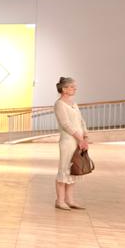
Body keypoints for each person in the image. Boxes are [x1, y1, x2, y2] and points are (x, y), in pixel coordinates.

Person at [53, 76, 89, 211]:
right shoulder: (59, 104)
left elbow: (81, 121)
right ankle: (60, 201)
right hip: (68, 141)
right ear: (64, 89)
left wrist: (85, 137)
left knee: (73, 169)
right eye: (72, 87)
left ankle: (70, 200)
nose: (75, 88)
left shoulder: (74, 104)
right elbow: (66, 124)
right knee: (64, 169)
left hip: (78, 141)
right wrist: (80, 139)